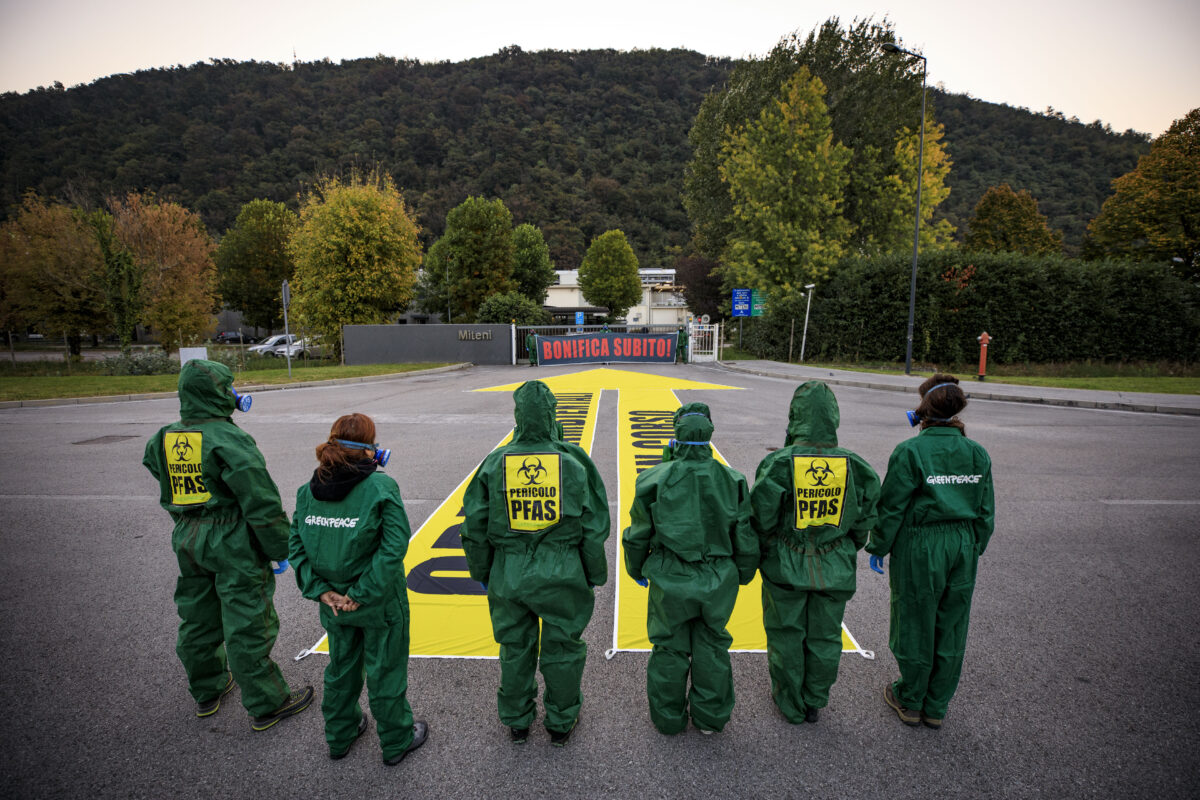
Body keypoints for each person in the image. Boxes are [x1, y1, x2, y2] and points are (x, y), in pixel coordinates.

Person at [142, 358, 312, 731]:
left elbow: (159, 473)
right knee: (247, 618)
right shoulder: (229, 439)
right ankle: (268, 702)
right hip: (231, 540)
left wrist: (190, 517)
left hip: (188, 536)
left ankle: (207, 689)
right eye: (229, 386)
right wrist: (279, 549)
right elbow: (260, 501)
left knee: (197, 614)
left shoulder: (165, 436)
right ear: (219, 392)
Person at [460, 380, 610, 746]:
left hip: (509, 573)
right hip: (562, 571)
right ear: (552, 415)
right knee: (562, 648)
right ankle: (561, 722)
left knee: (515, 648)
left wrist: (483, 573)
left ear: (517, 416)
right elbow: (594, 527)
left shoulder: (495, 463)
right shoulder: (574, 462)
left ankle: (517, 721)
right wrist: (594, 574)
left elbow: (474, 528)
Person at [289, 413, 429, 765]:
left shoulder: (307, 491)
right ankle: (396, 739)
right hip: (377, 602)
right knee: (385, 670)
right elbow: (394, 547)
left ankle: (340, 735)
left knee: (341, 668)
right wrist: (361, 594)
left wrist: (322, 591)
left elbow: (296, 546)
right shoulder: (381, 487)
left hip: (333, 604)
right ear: (370, 449)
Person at [867, 374, 995, 730]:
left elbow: (892, 507)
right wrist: (972, 547)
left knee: (914, 619)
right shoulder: (976, 453)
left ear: (921, 412)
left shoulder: (910, 451)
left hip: (921, 544)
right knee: (951, 624)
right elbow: (986, 511)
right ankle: (936, 705)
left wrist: (879, 545)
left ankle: (910, 699)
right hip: (963, 544)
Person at [749, 381, 880, 724]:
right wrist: (848, 544)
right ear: (833, 418)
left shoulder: (779, 463)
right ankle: (814, 700)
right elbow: (865, 519)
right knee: (825, 635)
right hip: (835, 562)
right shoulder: (856, 466)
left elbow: (761, 517)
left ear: (795, 417)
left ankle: (790, 702)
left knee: (786, 634)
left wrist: (764, 552)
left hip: (785, 563)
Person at [622, 403, 757, 735]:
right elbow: (745, 534)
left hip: (671, 578)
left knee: (669, 647)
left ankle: (668, 719)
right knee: (712, 645)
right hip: (717, 578)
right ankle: (710, 719)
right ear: (709, 433)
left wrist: (635, 568)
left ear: (676, 434)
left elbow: (638, 532)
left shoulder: (653, 478)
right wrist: (744, 571)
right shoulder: (733, 479)